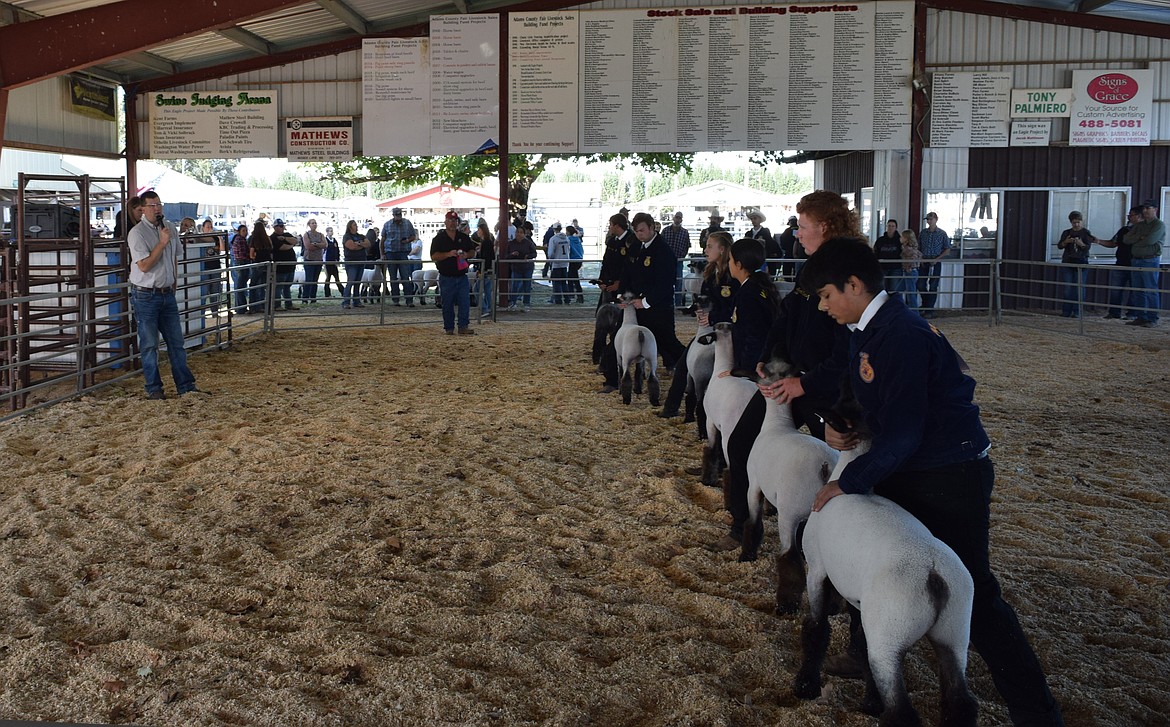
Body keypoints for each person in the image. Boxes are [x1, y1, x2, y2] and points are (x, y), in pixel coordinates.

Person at [801, 238, 1066, 727]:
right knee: (881, 563)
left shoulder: (900, 334)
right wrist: (854, 428)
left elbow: (906, 429)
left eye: (825, 295)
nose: (823, 306)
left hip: (949, 472)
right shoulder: (871, 328)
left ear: (854, 286)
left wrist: (851, 479)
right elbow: (890, 408)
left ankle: (1038, 714)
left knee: (975, 592)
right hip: (913, 464)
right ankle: (869, 659)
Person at [718, 237, 782, 544]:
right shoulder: (759, 288)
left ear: (738, 264)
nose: (728, 264)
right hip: (773, 369)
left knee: (740, 446)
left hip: (762, 374)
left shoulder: (747, 295)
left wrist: (742, 368)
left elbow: (755, 335)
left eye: (730, 259)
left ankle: (740, 522)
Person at [126, 191, 202, 399]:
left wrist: (174, 281)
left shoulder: (169, 228)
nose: (157, 208)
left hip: (166, 293)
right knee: (149, 344)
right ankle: (154, 388)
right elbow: (143, 266)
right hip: (145, 295)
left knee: (176, 343)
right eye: (152, 205)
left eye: (159, 204)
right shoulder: (137, 233)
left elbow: (175, 257)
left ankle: (185, 386)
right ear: (143, 209)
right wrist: (161, 243)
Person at [659, 231, 740, 418]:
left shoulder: (731, 276)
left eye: (710, 246)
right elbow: (705, 299)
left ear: (722, 249)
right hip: (705, 328)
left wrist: (711, 318)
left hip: (724, 332)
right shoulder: (711, 273)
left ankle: (703, 411)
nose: (705, 250)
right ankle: (672, 409)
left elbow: (732, 307)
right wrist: (699, 311)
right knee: (682, 366)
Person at [617, 212, 686, 368]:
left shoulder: (663, 251)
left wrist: (646, 302)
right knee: (621, 338)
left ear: (652, 227)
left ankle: (688, 368)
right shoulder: (636, 246)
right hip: (635, 306)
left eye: (642, 230)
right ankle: (612, 379)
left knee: (667, 343)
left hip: (658, 309)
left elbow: (666, 284)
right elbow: (626, 272)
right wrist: (622, 295)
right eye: (636, 231)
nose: (639, 234)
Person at [431, 210, 478, 335]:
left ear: (457, 222)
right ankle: (449, 328)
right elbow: (434, 256)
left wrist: (466, 254)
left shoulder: (463, 237)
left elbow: (473, 251)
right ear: (445, 222)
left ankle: (463, 326)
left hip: (462, 276)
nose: (452, 223)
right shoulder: (439, 239)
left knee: (465, 302)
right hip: (446, 277)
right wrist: (448, 254)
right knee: (447, 303)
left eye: (455, 220)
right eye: (450, 220)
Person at [1094, 206, 1142, 320]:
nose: (1129, 217)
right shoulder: (1123, 230)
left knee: (1134, 289)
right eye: (1129, 215)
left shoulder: (1142, 230)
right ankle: (1114, 312)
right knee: (1116, 289)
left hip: (1136, 262)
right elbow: (1113, 242)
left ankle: (1132, 313)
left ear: (1139, 216)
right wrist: (1099, 241)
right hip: (1121, 262)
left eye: (1131, 215)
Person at [1123, 200, 1163, 327]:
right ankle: (1141, 316)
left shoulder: (1159, 225)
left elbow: (1150, 240)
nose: (1145, 211)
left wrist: (1138, 240)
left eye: (1148, 208)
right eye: (1144, 208)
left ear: (1155, 209)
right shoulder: (1140, 225)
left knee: (1150, 289)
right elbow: (1126, 239)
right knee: (1138, 289)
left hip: (1150, 259)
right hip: (1136, 259)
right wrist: (1140, 238)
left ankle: (1152, 318)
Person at [1056, 210, 1093, 318]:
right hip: (1068, 261)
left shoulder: (1086, 233)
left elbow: (1087, 249)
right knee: (1068, 287)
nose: (1076, 224)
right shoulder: (1066, 232)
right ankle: (1066, 311)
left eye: (1078, 222)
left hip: (1081, 262)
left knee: (1079, 287)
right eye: (1074, 222)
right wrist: (1066, 242)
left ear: (1082, 221)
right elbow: (1059, 246)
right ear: (1070, 222)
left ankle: (1077, 311)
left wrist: (1081, 244)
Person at [917, 211, 953, 318]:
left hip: (935, 261)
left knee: (933, 285)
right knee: (920, 284)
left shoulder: (942, 233)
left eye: (930, 219)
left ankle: (929, 309)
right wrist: (921, 257)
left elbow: (947, 249)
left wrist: (937, 259)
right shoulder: (923, 233)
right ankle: (927, 305)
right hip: (924, 260)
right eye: (927, 219)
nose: (929, 221)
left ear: (936, 219)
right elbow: (918, 247)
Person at [381, 207, 418, 307]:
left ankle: (409, 300)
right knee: (393, 277)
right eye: (396, 215)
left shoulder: (407, 223)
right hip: (390, 253)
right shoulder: (387, 224)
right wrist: (383, 254)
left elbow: (413, 236)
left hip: (403, 252)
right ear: (393, 215)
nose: (398, 217)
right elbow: (383, 239)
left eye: (400, 215)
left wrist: (407, 240)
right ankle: (395, 299)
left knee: (405, 276)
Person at [662, 211, 691, 306]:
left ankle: (678, 304)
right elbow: (661, 244)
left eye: (679, 218)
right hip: (666, 261)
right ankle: (666, 302)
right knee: (666, 281)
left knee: (678, 281)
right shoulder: (665, 230)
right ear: (673, 218)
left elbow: (687, 246)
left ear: (681, 220)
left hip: (678, 260)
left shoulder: (685, 232)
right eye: (676, 217)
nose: (677, 219)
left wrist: (682, 255)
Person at [506, 224, 537, 312]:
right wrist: (512, 255)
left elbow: (534, 254)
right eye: (517, 232)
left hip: (527, 267)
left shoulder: (529, 243)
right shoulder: (511, 243)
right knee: (515, 285)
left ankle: (526, 304)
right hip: (516, 267)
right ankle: (513, 302)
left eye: (520, 232)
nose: (518, 234)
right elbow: (506, 256)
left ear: (524, 234)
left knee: (527, 285)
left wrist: (528, 256)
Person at [270, 219, 299, 311]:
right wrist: (291, 245)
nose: (283, 228)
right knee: (278, 286)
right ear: (275, 227)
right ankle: (277, 305)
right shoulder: (273, 238)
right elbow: (283, 247)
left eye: (283, 226)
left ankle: (288, 304)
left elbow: (295, 241)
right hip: (280, 267)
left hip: (290, 266)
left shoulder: (286, 235)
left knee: (287, 286)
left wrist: (285, 239)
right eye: (280, 226)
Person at [341, 219, 368, 309]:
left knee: (358, 282)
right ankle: (346, 301)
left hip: (361, 260)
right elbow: (351, 246)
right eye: (354, 225)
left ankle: (356, 301)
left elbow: (368, 244)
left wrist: (358, 244)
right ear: (350, 227)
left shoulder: (361, 236)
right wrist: (361, 245)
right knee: (351, 281)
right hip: (351, 261)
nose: (356, 226)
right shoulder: (347, 236)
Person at [471, 218, 496, 316]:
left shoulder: (485, 243)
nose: (478, 232)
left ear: (482, 231)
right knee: (487, 290)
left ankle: (484, 308)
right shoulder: (488, 242)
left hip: (485, 270)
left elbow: (486, 258)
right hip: (489, 270)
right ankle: (489, 307)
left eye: (479, 230)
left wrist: (481, 270)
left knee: (476, 289)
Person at [247, 220, 273, 314]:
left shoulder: (253, 239)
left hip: (257, 264)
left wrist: (255, 257)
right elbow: (271, 252)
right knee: (266, 286)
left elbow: (251, 255)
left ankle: (253, 307)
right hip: (268, 265)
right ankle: (267, 307)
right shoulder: (267, 239)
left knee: (253, 285)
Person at [299, 218, 327, 304]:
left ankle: (313, 298)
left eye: (315, 223)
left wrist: (315, 244)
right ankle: (305, 298)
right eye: (312, 223)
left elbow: (325, 245)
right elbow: (308, 246)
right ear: (309, 225)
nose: (314, 224)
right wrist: (319, 245)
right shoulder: (306, 235)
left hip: (318, 259)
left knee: (315, 280)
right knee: (309, 279)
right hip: (309, 259)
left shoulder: (321, 234)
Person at [746, 210, 779, 276]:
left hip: (764, 261)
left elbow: (770, 246)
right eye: (751, 219)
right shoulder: (748, 233)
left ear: (760, 220)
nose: (753, 221)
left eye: (755, 218)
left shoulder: (765, 233)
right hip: (752, 261)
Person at [873, 218, 903, 291]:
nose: (891, 228)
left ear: (896, 228)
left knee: (893, 289)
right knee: (882, 289)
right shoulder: (880, 240)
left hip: (896, 268)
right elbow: (875, 252)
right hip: (883, 268)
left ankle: (893, 302)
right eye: (889, 226)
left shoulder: (900, 240)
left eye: (893, 226)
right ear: (886, 227)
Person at [229, 223, 251, 313]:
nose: (245, 232)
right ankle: (241, 308)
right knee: (240, 286)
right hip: (241, 263)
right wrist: (250, 256)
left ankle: (240, 307)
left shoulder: (237, 239)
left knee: (239, 286)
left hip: (238, 263)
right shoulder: (240, 240)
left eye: (246, 230)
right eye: (243, 231)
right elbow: (242, 254)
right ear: (238, 231)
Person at [547, 224, 572, 304]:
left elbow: (550, 253)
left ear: (554, 229)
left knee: (556, 282)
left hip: (556, 263)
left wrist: (551, 259)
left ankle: (558, 300)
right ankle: (567, 299)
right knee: (564, 282)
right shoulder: (566, 238)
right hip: (565, 263)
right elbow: (569, 250)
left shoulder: (553, 239)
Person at [898, 229, 922, 310]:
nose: (900, 238)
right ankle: (902, 309)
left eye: (902, 237)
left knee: (910, 294)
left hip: (910, 272)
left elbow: (913, 258)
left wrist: (909, 267)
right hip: (910, 272)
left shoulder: (907, 249)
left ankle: (915, 314)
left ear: (906, 239)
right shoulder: (911, 248)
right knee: (898, 291)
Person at [321, 225, 344, 298]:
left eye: (332, 231)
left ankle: (343, 292)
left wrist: (337, 259)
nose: (331, 232)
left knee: (337, 278)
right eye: (330, 231)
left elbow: (337, 251)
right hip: (327, 262)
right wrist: (324, 262)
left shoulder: (334, 240)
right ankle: (327, 294)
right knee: (328, 278)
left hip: (334, 262)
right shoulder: (325, 241)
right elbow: (324, 252)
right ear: (327, 232)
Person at [566, 224, 585, 304]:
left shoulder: (568, 239)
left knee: (574, 278)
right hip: (579, 259)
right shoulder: (577, 239)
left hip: (572, 260)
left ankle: (579, 296)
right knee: (571, 277)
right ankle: (573, 294)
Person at [777, 215, 799, 279]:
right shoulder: (800, 230)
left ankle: (787, 281)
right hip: (798, 255)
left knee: (787, 272)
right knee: (797, 272)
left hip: (788, 254)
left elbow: (782, 241)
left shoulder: (786, 231)